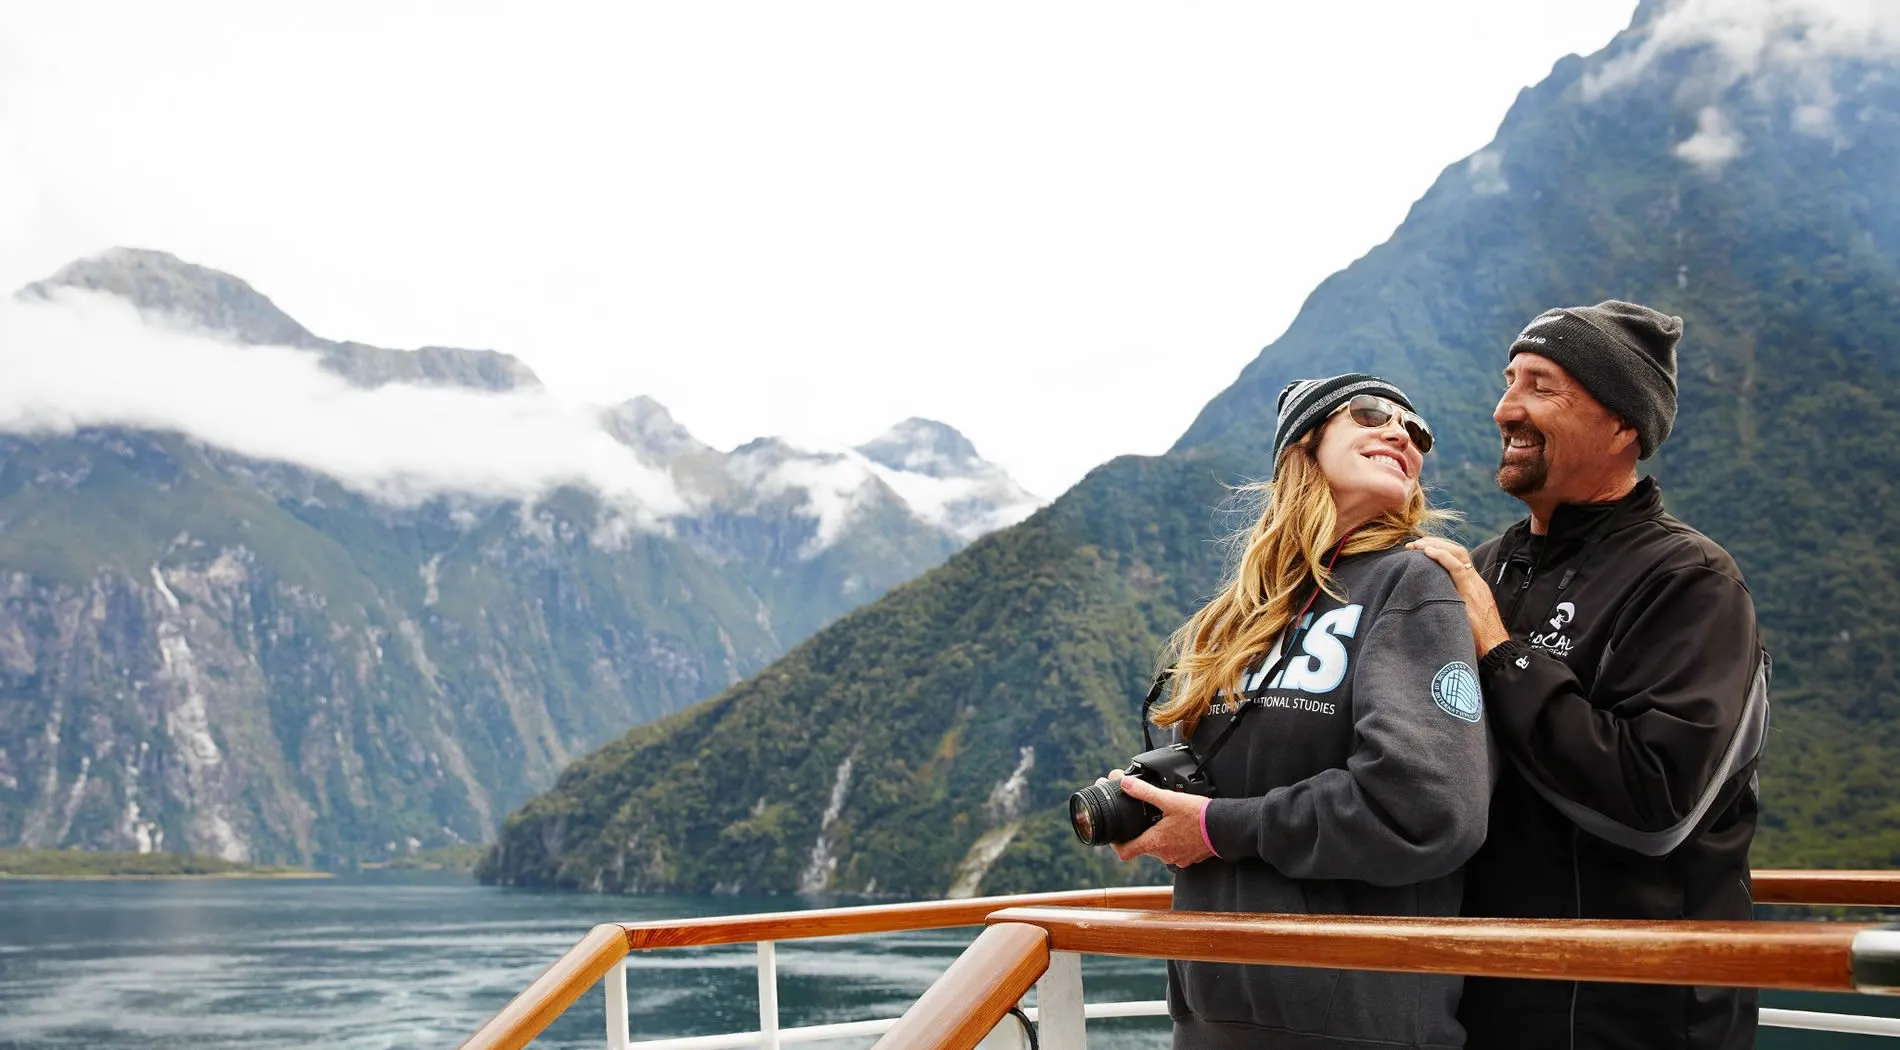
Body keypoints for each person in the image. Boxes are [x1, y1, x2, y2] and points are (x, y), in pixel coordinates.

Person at [1408, 301, 1768, 1050]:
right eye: (1509, 381)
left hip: (1641, 1018)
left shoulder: (1691, 581)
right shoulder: (1484, 567)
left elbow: (1655, 803)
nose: (1507, 407)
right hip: (1485, 1006)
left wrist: (1502, 653)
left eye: (1543, 385)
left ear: (1622, 425)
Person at [1106, 373, 1494, 1050]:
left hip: (1357, 1025)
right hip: (1210, 1016)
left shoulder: (1411, 587)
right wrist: (1163, 811)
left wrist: (1221, 827)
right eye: (1372, 414)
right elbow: (1216, 803)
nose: (1400, 432)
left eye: (1416, 429)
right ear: (1304, 445)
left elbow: (1427, 807)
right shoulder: (1234, 621)